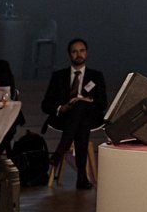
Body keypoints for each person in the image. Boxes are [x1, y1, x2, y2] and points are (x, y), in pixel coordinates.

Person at [41, 38, 108, 191]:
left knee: (80, 108)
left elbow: (102, 103)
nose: (79, 54)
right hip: (64, 118)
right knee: (81, 121)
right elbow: (45, 105)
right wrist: (61, 108)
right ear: (69, 54)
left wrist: (85, 100)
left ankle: (60, 151)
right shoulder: (58, 76)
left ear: (87, 53)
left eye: (82, 51)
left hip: (89, 116)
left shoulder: (96, 76)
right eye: (74, 51)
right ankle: (81, 178)